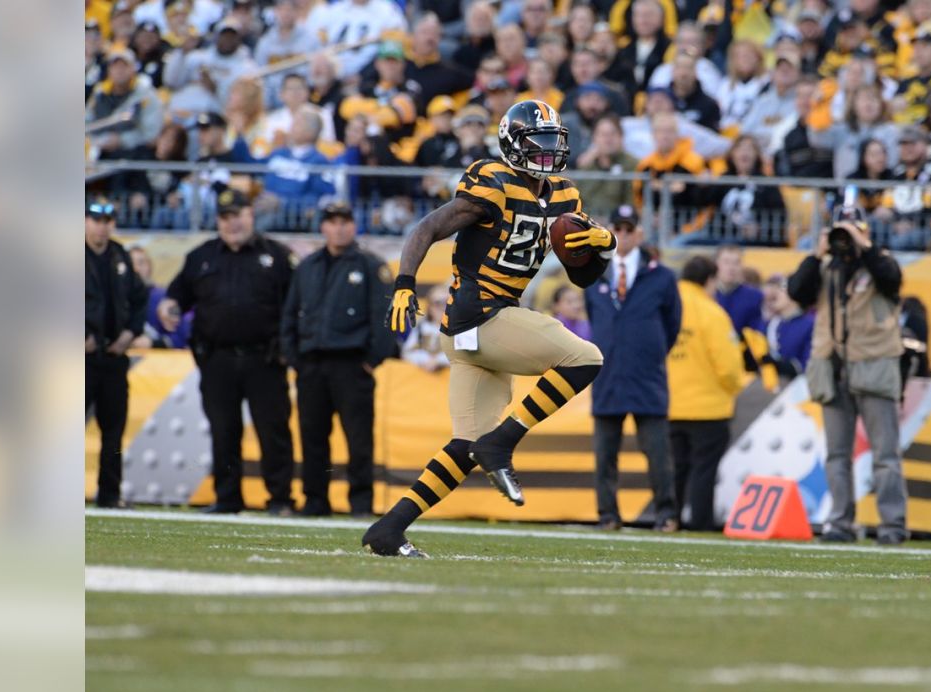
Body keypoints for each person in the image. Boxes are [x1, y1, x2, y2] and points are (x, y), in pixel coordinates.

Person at [361, 100, 616, 558]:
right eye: (536, 144)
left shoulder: (564, 196)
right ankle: (503, 443)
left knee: (465, 446)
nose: (545, 154)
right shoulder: (492, 180)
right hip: (479, 314)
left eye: (551, 144)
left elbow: (581, 278)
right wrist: (404, 284)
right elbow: (428, 226)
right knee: (585, 358)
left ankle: (389, 529)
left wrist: (599, 248)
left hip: (482, 328)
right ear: (512, 144)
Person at [157, 189, 296, 516]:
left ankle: (280, 499)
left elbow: (296, 307)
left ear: (251, 215)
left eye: (238, 215)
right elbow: (176, 296)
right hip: (217, 359)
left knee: (273, 430)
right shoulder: (201, 257)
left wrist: (288, 349)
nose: (232, 223)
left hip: (265, 358)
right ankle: (227, 497)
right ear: (218, 221)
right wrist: (168, 306)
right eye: (225, 217)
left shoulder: (277, 256)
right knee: (223, 431)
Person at [787, 211, 908, 545]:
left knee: (885, 454)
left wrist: (864, 246)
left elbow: (892, 280)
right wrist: (816, 253)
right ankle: (840, 522)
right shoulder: (826, 266)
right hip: (833, 368)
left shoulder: (879, 261)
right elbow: (797, 291)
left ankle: (892, 525)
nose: (846, 237)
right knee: (837, 454)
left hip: (874, 365)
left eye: (852, 229)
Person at [280, 203, 395, 518]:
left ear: (353, 226)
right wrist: (294, 357)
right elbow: (289, 313)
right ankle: (315, 501)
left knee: (358, 440)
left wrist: (371, 360)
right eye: (332, 222)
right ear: (323, 228)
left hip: (352, 363)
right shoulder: (307, 267)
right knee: (312, 437)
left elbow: (385, 319)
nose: (339, 227)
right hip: (312, 364)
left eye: (345, 221)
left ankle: (360, 504)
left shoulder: (371, 266)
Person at [584, 205, 682, 532]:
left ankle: (666, 514)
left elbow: (672, 325)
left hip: (646, 374)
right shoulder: (595, 274)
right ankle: (607, 515)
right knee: (604, 453)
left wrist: (649, 352)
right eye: (619, 229)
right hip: (608, 373)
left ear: (639, 233)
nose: (624, 235)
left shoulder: (661, 277)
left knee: (657, 452)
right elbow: (595, 318)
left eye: (629, 229)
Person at [667, 255, 743, 531]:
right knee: (703, 470)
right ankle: (699, 523)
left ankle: (669, 519)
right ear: (709, 280)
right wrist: (736, 386)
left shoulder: (666, 307)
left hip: (670, 403)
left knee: (676, 468)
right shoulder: (712, 313)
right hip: (709, 407)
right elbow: (728, 365)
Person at [85, 200, 148, 509]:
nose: (102, 226)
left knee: (114, 429)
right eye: (96, 220)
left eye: (108, 220)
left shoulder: (119, 256)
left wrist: (130, 333)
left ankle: (110, 493)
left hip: (113, 357)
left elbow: (139, 298)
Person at [86, 49, 164, 160]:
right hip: (99, 151)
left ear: (133, 69)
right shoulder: (99, 93)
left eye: (124, 66)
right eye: (115, 66)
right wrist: (97, 141)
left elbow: (151, 133)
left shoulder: (146, 95)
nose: (119, 71)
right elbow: (87, 122)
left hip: (134, 155)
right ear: (109, 70)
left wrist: (122, 140)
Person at [573, 115, 638, 220]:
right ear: (594, 138)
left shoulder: (633, 165)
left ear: (621, 137)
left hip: (621, 225)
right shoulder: (586, 166)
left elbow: (632, 203)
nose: (608, 139)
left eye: (612, 134)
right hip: (587, 225)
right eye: (603, 134)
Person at [129, 245, 190, 349]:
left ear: (149, 267)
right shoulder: (116, 301)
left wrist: (153, 343)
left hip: (162, 362)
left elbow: (183, 336)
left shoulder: (165, 298)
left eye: (141, 263)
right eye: (131, 264)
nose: (136, 268)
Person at [756, 273, 815, 380]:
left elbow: (807, 365)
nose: (776, 293)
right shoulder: (770, 323)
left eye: (782, 289)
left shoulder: (810, 324)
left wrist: (781, 365)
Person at [713, 244, 764, 336]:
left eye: (736, 263)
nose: (731, 268)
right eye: (726, 262)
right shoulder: (706, 295)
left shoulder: (755, 297)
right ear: (716, 264)